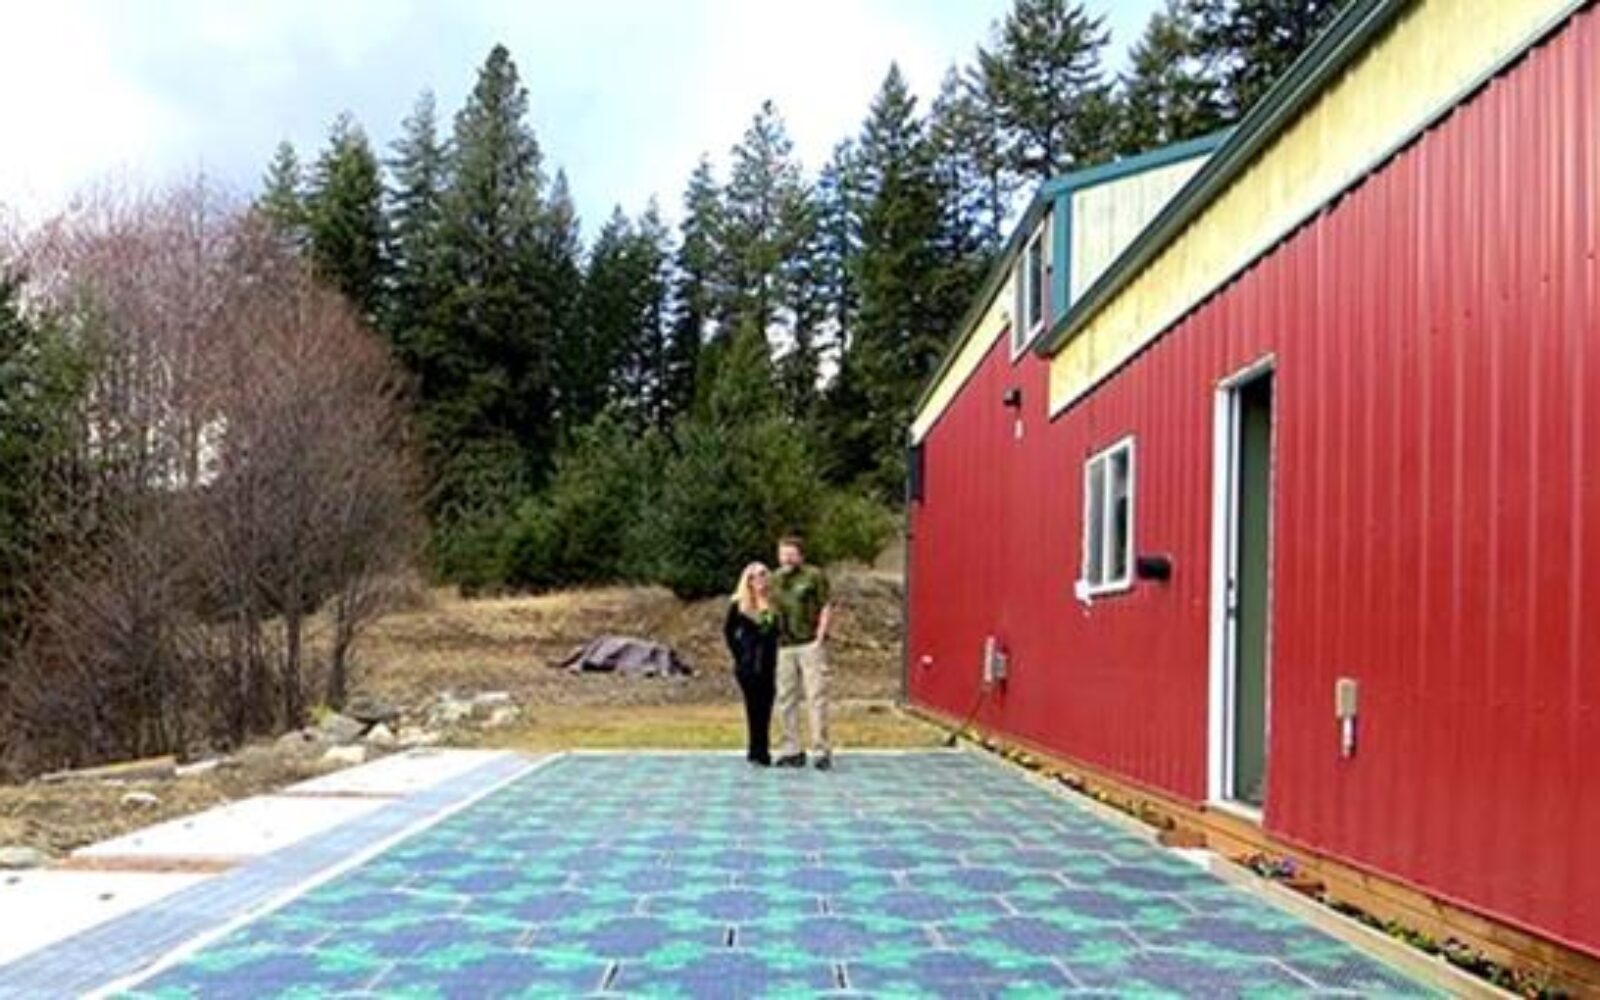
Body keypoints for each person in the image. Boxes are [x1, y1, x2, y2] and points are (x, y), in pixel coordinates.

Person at [771, 535, 833, 771]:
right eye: (782, 553)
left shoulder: (813, 576)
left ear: (800, 555)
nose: (786, 558)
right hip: (783, 646)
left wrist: (820, 635)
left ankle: (820, 749)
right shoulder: (774, 579)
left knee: (815, 696)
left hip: (808, 643)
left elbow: (825, 605)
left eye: (791, 553)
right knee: (786, 698)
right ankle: (792, 749)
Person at [723, 562, 778, 767]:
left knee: (766, 707)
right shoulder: (738, 605)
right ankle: (755, 751)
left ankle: (763, 749)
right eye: (753, 576)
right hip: (747, 666)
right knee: (753, 707)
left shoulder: (772, 604)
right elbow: (728, 632)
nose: (759, 580)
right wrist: (739, 655)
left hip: (768, 663)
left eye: (763, 575)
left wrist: (764, 604)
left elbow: (770, 630)